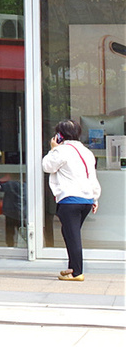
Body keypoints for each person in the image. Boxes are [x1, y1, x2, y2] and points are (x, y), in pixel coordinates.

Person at [42, 119, 101, 281]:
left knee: (73, 235)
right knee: (69, 233)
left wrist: (53, 149)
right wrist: (95, 197)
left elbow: (47, 166)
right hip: (86, 199)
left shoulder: (62, 151)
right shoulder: (87, 152)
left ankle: (77, 272)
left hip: (70, 200)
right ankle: (72, 268)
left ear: (59, 135)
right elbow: (92, 176)